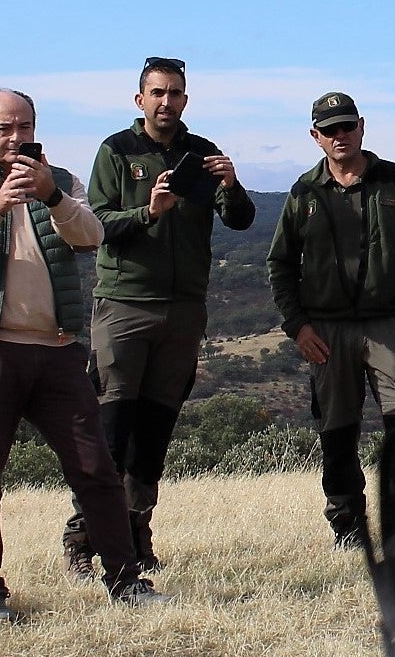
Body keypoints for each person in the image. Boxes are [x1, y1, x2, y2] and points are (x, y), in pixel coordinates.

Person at [0, 88, 167, 621]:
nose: (16, 138)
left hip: (55, 351)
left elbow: (92, 235)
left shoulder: (60, 181)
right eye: (4, 128)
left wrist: (51, 194)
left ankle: (125, 580)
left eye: (25, 127)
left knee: (95, 468)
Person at [61, 56, 257, 575]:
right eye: (157, 93)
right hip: (125, 304)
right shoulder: (116, 151)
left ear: (185, 100)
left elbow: (240, 221)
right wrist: (149, 211)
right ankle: (84, 536)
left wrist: (232, 185)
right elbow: (96, 223)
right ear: (140, 99)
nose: (166, 102)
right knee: (110, 428)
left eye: (174, 93)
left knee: (154, 431)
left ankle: (135, 533)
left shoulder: (202, 152)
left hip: (184, 309)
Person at [267, 92, 395, 545]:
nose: (340, 136)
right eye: (329, 130)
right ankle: (347, 525)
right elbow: (279, 263)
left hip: (389, 325)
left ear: (362, 127)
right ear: (315, 136)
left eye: (347, 126)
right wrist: (297, 326)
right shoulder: (304, 192)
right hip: (326, 331)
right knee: (336, 432)